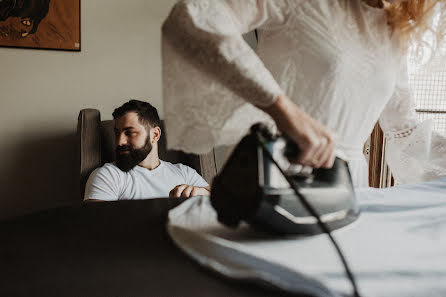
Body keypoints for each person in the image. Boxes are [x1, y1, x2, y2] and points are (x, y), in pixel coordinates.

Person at [161, 0, 446, 187]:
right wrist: (286, 113)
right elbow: (194, 18)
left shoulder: (393, 33)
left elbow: (404, 129)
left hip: (349, 186)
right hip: (273, 171)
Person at [84, 100, 210, 202]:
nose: (120, 141)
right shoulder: (108, 175)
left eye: (130, 133)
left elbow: (221, 202)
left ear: (155, 135)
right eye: (117, 133)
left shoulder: (185, 173)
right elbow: (95, 228)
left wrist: (201, 192)